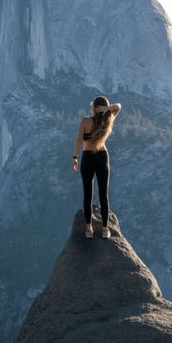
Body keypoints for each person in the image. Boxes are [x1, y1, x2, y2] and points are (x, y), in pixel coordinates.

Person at [73, 96, 121, 239]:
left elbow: (78, 141)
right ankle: (106, 229)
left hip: (88, 157)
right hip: (102, 157)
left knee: (88, 194)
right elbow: (118, 106)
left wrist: (74, 157)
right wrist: (108, 109)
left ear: (94, 108)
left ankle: (89, 228)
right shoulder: (108, 120)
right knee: (103, 195)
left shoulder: (85, 121)